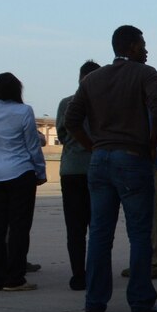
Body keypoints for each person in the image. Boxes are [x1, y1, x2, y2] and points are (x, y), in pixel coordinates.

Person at [65, 25, 157, 312]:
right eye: (143, 44)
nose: (146, 50)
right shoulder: (146, 74)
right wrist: (151, 143)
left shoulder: (92, 80)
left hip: (100, 162)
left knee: (99, 234)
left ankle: (95, 302)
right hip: (133, 159)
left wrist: (93, 146)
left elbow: (72, 120)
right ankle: (140, 300)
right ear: (132, 46)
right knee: (139, 233)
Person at [0, 72, 47, 292]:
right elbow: (32, 146)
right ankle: (15, 277)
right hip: (20, 173)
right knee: (19, 227)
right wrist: (40, 171)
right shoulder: (23, 111)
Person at [57, 60, 100, 291]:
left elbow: (62, 133)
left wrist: (76, 147)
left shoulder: (66, 103)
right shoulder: (103, 104)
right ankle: (95, 271)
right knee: (97, 226)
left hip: (72, 169)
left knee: (74, 227)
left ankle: (78, 274)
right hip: (96, 170)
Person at [122, 118, 157, 280]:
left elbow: (151, 136)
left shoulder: (150, 102)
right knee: (144, 213)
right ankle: (143, 261)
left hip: (153, 164)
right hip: (148, 163)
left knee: (152, 212)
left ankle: (153, 263)